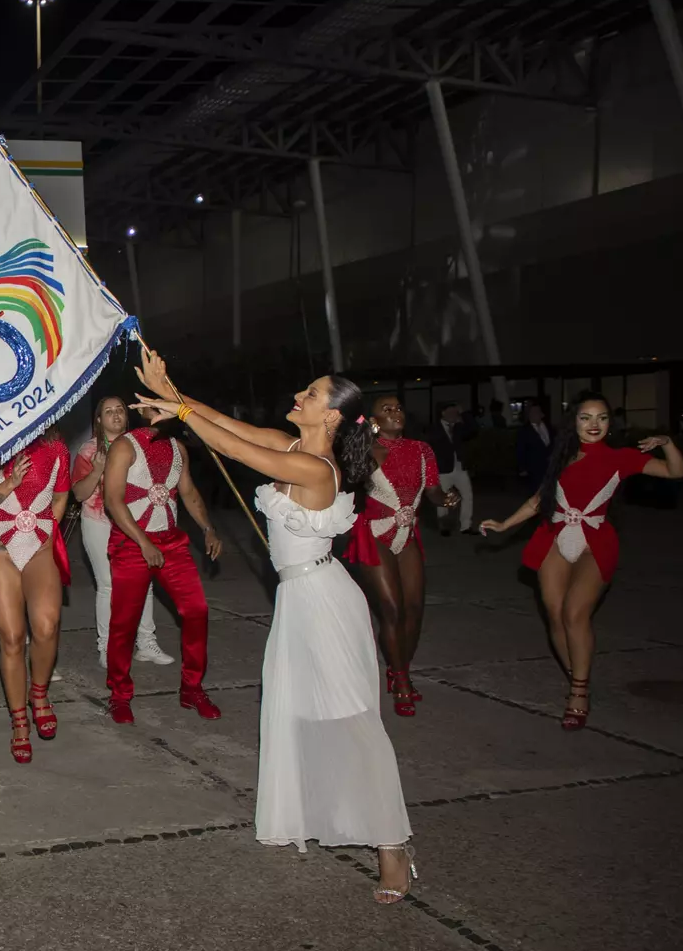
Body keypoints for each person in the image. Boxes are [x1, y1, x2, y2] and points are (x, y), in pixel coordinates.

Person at [135, 351, 416, 903]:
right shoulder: (290, 446)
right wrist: (172, 390)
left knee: (350, 718)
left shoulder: (316, 469)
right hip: (297, 599)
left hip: (324, 599)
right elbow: (224, 424)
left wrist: (179, 412)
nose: (298, 398)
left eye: (310, 395)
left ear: (332, 417)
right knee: (296, 709)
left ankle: (392, 846)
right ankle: (312, 809)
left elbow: (232, 449)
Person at [479, 392, 683, 730]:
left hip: (596, 541)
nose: (594, 425)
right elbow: (538, 500)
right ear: (573, 422)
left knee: (576, 613)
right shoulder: (561, 457)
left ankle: (578, 692)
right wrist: (504, 524)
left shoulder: (621, 458)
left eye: (602, 418)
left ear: (609, 423)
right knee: (556, 615)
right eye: (586, 417)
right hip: (555, 537)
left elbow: (675, 472)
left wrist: (667, 442)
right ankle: (579, 671)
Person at [100, 417, 223, 725]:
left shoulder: (177, 447)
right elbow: (113, 501)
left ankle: (192, 687)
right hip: (131, 545)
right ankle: (119, 695)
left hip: (171, 543)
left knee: (196, 610)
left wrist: (208, 528)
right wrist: (143, 542)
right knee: (124, 623)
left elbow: (189, 492)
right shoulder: (124, 446)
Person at [342, 396, 459, 717]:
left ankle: (398, 668)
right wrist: (361, 437)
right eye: (387, 410)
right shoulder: (367, 449)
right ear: (375, 419)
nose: (396, 413)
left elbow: (432, 490)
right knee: (391, 608)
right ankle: (403, 680)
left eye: (399, 408)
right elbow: (347, 479)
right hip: (374, 532)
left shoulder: (422, 450)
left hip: (408, 533)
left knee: (415, 608)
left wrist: (446, 499)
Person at [0, 427, 70, 763]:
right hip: (2, 550)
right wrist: (9, 483)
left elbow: (60, 497)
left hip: (40, 547)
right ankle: (19, 721)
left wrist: (41, 530)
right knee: (11, 637)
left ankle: (38, 693)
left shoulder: (57, 448)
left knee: (46, 626)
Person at [71, 397, 171, 670]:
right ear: (99, 420)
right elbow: (79, 494)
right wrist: (98, 470)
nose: (115, 414)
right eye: (108, 411)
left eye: (120, 410)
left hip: (135, 524)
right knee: (108, 585)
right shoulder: (89, 450)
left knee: (144, 582)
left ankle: (146, 643)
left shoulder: (141, 446)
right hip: (99, 522)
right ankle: (107, 646)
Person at [426, 402, 475, 535]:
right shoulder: (435, 428)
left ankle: (466, 526)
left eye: (455, 412)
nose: (454, 415)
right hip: (443, 469)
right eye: (451, 412)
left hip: (459, 467)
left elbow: (472, 430)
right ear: (443, 413)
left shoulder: (459, 427)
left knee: (467, 495)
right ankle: (444, 526)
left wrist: (464, 414)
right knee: (442, 497)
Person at [515, 402, 553, 493]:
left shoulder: (549, 428)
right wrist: (522, 468)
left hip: (550, 467)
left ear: (542, 414)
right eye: (531, 412)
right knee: (536, 492)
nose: (534, 414)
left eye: (536, 412)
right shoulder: (524, 431)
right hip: (534, 468)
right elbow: (520, 450)